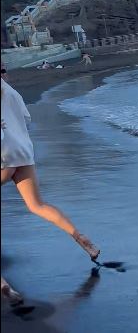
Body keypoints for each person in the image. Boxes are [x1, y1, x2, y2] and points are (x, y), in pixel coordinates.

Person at [1, 65, 100, 305]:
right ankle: (82, 239)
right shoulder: (11, 91)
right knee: (37, 204)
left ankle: (2, 284)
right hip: (23, 153)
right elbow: (26, 119)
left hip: (2, 156)